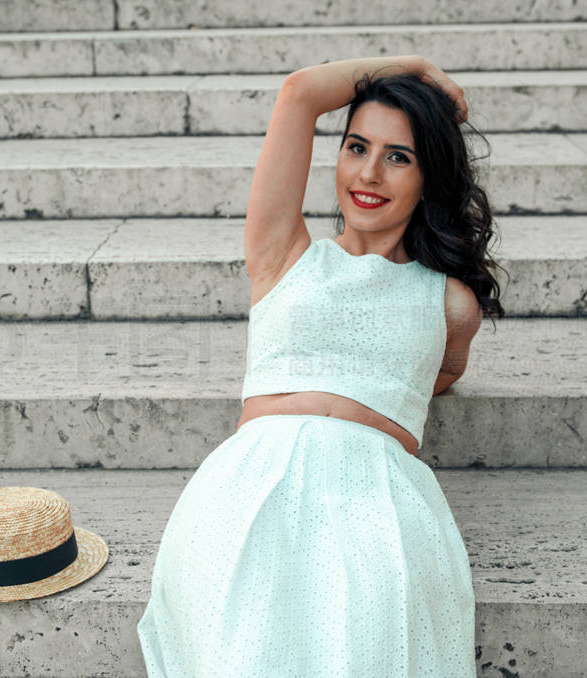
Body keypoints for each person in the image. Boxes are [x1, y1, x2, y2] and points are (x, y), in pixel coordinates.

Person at [138, 55, 505, 677]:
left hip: (376, 499)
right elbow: (300, 93)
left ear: (428, 176)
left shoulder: (448, 300)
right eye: (357, 147)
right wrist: (412, 66)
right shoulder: (283, 253)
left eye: (399, 156)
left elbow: (437, 377)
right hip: (252, 487)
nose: (368, 173)